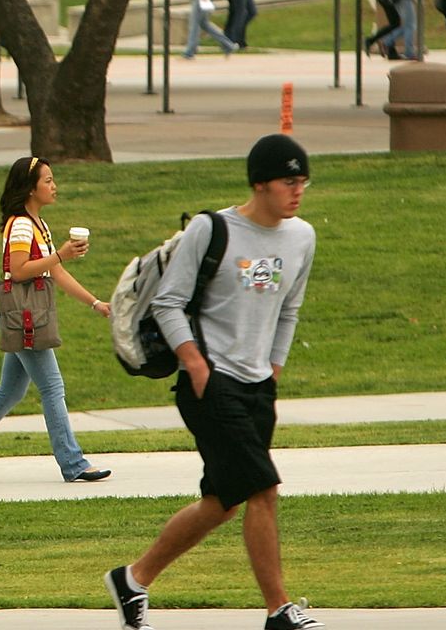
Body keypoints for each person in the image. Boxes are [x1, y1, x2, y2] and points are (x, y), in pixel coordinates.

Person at [105, 134, 318, 630]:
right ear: (260, 183)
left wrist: (275, 367)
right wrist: (195, 363)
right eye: (289, 181)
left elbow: (289, 308)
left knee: (223, 502)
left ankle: (132, 579)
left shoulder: (301, 237)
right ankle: (279, 610)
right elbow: (168, 302)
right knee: (264, 489)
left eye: (303, 181)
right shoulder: (212, 229)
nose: (298, 191)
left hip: (257, 384)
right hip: (209, 383)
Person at [0, 157, 112, 484]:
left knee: (9, 392)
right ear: (30, 188)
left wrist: (94, 303)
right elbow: (18, 271)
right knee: (52, 387)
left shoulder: (38, 224)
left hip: (23, 317)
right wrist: (61, 254)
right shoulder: (21, 225)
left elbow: (55, 272)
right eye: (47, 180)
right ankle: (73, 462)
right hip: (24, 320)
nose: (54, 186)